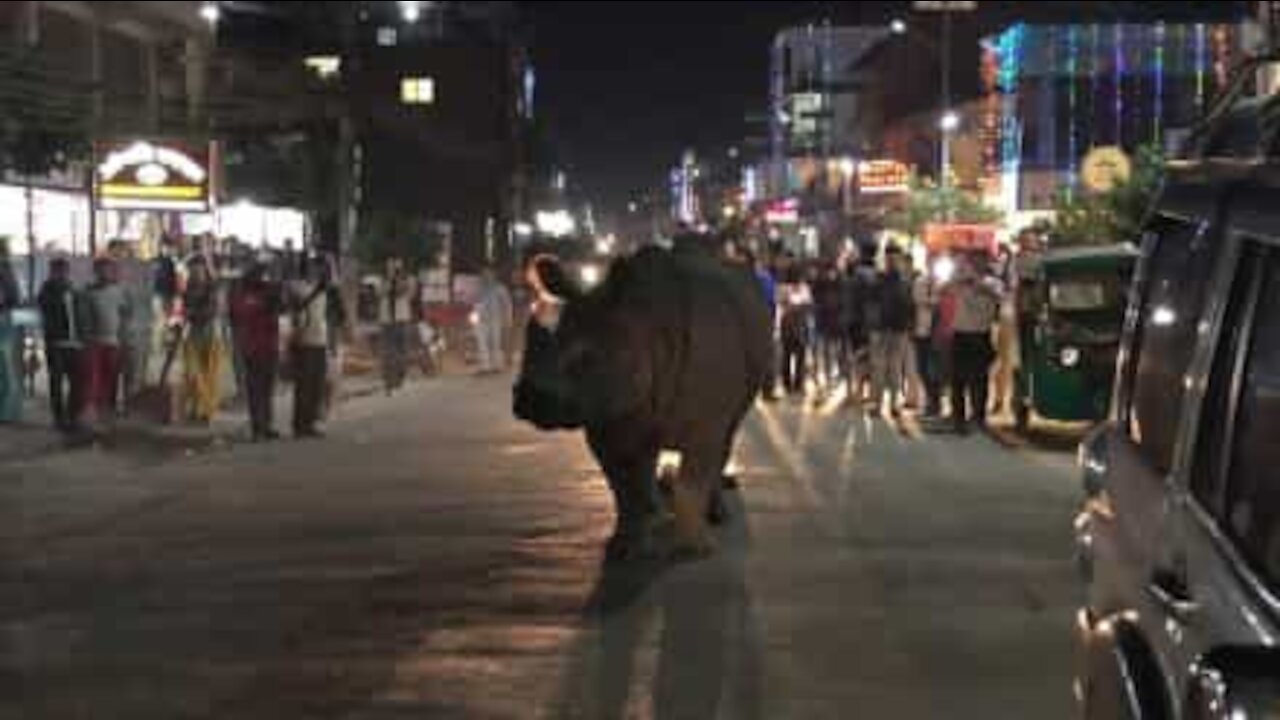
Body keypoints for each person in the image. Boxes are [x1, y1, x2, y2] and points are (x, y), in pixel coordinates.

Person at [947, 254, 1003, 434]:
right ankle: (958, 418)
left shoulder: (993, 282)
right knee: (957, 379)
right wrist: (960, 277)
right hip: (961, 332)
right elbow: (943, 289)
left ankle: (978, 416)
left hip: (981, 333)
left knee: (979, 378)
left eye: (978, 262)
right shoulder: (960, 282)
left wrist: (977, 282)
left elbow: (999, 296)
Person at [229, 258, 283, 441]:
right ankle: (257, 427)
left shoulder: (266, 294)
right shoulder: (245, 296)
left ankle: (266, 426)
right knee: (256, 390)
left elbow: (279, 310)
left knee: (267, 389)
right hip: (253, 348)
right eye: (261, 276)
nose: (263, 280)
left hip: (268, 346)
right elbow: (240, 315)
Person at [37, 258, 85, 432]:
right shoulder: (47, 291)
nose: (62, 275)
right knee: (56, 382)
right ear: (52, 272)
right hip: (56, 343)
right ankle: (59, 418)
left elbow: (80, 314)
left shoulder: (73, 289)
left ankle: (73, 416)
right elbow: (47, 311)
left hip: (75, 343)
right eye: (58, 271)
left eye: (64, 271)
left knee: (77, 382)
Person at [83, 257, 128, 425]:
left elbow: (124, 315)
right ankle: (94, 412)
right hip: (95, 342)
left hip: (114, 341)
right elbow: (85, 318)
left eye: (108, 269)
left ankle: (108, 411)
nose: (104, 273)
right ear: (95, 272)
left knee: (112, 378)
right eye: (101, 269)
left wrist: (123, 339)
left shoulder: (119, 291)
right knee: (94, 378)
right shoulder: (89, 292)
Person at [290, 256, 331, 439]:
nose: (315, 272)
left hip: (320, 339)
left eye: (318, 269)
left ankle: (311, 422)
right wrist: (317, 290)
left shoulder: (322, 288)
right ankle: (300, 424)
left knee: (316, 384)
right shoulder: (297, 286)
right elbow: (299, 305)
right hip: (304, 340)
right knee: (304, 386)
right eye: (313, 268)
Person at [871, 247, 914, 417]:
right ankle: (893, 405)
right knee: (895, 367)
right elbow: (910, 305)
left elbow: (872, 303)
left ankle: (878, 404)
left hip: (883, 328)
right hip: (899, 328)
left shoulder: (879, 279)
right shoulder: (905, 280)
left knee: (880, 367)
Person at [114, 242, 154, 413]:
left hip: (137, 332)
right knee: (121, 373)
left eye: (121, 254)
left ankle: (132, 407)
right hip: (119, 334)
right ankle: (125, 406)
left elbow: (146, 303)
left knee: (135, 373)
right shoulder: (113, 282)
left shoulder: (141, 276)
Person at [182, 256, 223, 426]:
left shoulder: (212, 288)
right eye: (192, 269)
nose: (195, 272)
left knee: (210, 374)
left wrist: (193, 314)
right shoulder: (188, 289)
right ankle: (199, 407)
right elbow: (186, 310)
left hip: (211, 333)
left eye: (198, 269)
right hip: (193, 333)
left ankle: (206, 410)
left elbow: (212, 310)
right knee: (193, 372)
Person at [911, 261, 943, 417]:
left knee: (935, 369)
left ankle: (935, 402)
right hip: (921, 329)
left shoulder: (943, 283)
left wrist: (933, 301)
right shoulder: (920, 281)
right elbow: (917, 300)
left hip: (937, 332)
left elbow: (941, 303)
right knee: (922, 367)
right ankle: (931, 399)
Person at [379, 258, 414, 393]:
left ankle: (400, 377)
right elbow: (382, 292)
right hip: (387, 320)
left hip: (401, 319)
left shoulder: (407, 280)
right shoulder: (382, 280)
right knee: (388, 351)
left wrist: (398, 278)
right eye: (389, 266)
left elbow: (407, 292)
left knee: (401, 350)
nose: (392, 268)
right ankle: (388, 380)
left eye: (394, 267)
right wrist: (390, 279)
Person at [778, 265, 813, 399]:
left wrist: (792, 305)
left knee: (789, 356)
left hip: (789, 326)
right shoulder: (799, 288)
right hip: (798, 327)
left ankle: (790, 384)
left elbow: (785, 305)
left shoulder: (784, 288)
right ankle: (795, 384)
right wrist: (799, 306)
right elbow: (807, 305)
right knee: (795, 356)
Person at [473, 267, 513, 375]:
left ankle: (497, 366)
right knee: (482, 343)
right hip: (481, 320)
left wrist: (508, 319)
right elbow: (475, 303)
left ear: (494, 276)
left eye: (489, 274)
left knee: (495, 343)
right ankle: (485, 367)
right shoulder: (479, 289)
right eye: (484, 274)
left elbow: (507, 305)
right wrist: (475, 318)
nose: (486, 277)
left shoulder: (500, 289)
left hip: (496, 319)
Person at [812, 263, 845, 394]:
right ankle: (825, 379)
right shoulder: (821, 285)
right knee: (825, 352)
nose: (830, 274)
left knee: (831, 352)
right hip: (824, 323)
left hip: (833, 325)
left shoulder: (839, 285)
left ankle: (829, 378)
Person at [0, 240, 23, 423]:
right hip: (5, 320)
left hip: (4, 319)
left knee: (6, 367)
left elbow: (13, 297)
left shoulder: (6, 269)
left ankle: (8, 411)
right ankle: (8, 411)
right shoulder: (7, 269)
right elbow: (15, 297)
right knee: (7, 367)